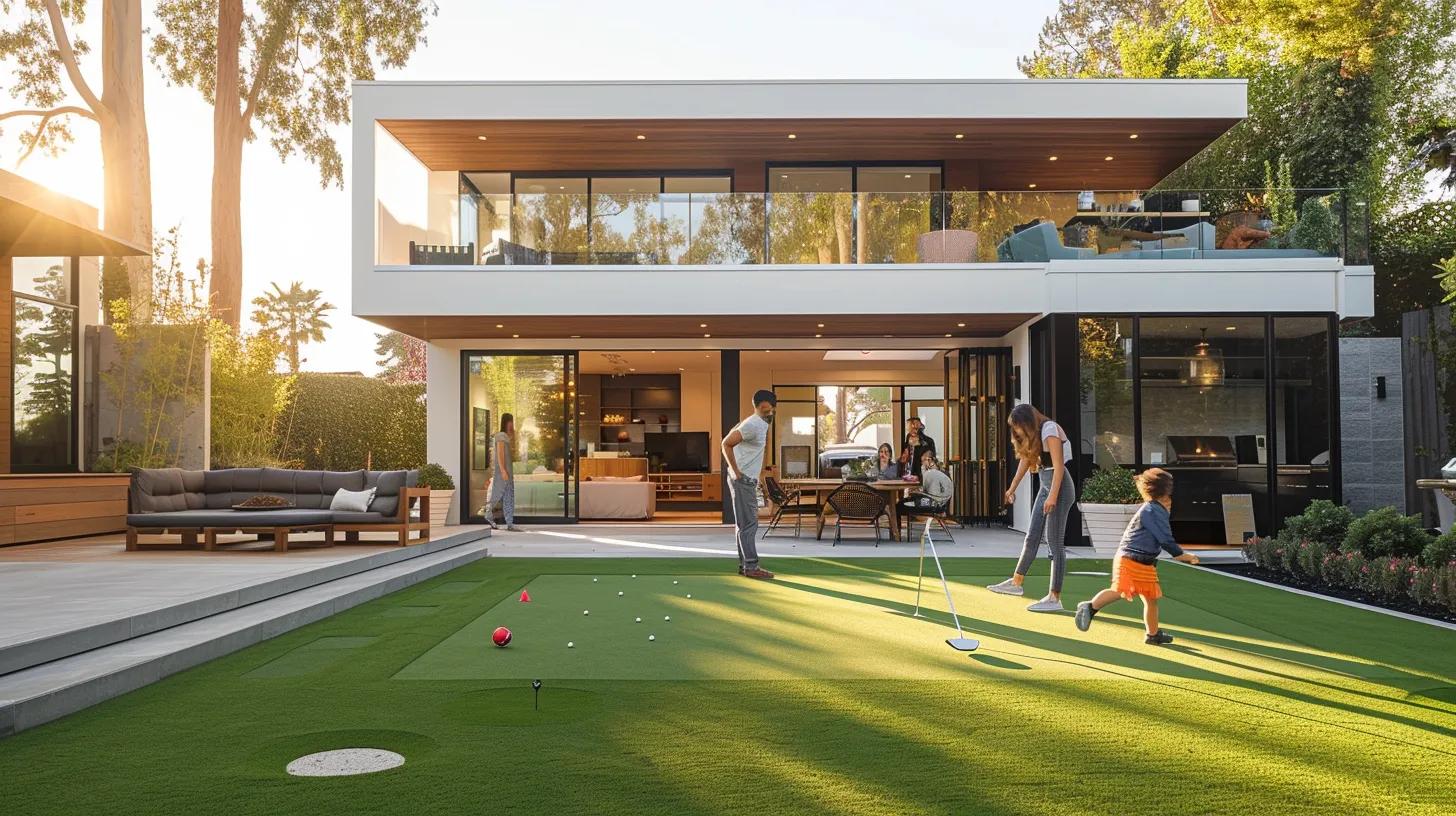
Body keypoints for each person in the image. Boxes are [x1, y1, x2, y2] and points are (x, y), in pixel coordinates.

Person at [1074, 468, 1200, 645]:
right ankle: (1089, 607)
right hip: (1130, 559)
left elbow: (1162, 536)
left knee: (1151, 599)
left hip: (1144, 562)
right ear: (1163, 491)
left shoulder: (1156, 508)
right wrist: (1181, 555)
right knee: (1119, 590)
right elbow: (1164, 537)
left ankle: (1153, 634)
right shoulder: (1152, 510)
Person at [987, 403, 1075, 612]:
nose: (1015, 430)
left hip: (1059, 487)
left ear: (1027, 421)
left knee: (1054, 543)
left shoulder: (1050, 429)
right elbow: (1026, 461)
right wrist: (1011, 488)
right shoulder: (1034, 435)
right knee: (1032, 535)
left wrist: (1053, 496)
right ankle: (1016, 583)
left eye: (1017, 425)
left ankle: (1055, 597)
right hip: (1047, 484)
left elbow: (1059, 466)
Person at [721, 390, 776, 580]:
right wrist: (736, 472)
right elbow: (726, 443)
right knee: (749, 525)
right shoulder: (752, 424)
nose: (768, 413)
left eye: (770, 410)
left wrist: (758, 474)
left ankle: (745, 565)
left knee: (743, 524)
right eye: (764, 409)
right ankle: (751, 567)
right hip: (742, 481)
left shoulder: (761, 423)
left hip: (747, 480)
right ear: (757, 407)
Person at [897, 450, 952, 531]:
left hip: (933, 505)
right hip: (941, 504)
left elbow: (924, 491)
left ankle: (896, 532)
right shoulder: (943, 472)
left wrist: (914, 492)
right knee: (905, 501)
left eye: (923, 461)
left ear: (929, 460)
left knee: (899, 505)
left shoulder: (929, 473)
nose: (922, 464)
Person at [484, 413, 520, 531]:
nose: (512, 424)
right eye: (511, 421)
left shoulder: (506, 436)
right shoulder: (500, 436)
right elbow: (500, 454)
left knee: (509, 496)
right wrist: (503, 470)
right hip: (503, 472)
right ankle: (489, 515)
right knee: (497, 493)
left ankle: (509, 523)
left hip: (508, 472)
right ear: (506, 422)